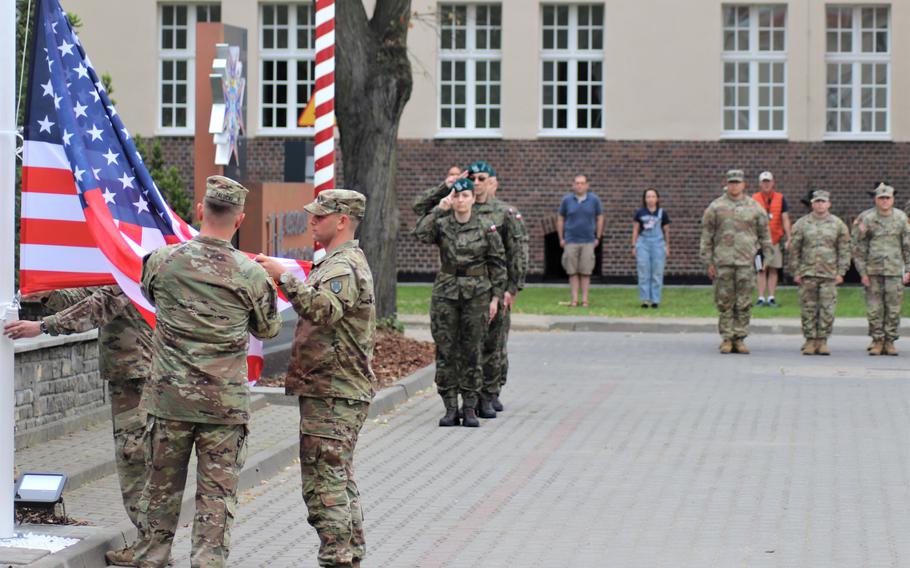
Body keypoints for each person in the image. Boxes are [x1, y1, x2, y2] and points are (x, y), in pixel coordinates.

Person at [134, 176, 282, 568]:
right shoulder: (250, 275)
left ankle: (152, 556)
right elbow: (267, 329)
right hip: (223, 406)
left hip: (169, 401)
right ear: (240, 220)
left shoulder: (162, 261)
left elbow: (150, 295)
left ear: (200, 210)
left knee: (161, 489)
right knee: (216, 496)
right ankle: (206, 560)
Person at [256, 189, 376, 568]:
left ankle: (337, 558)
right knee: (338, 479)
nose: (311, 221)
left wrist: (284, 279)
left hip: (334, 392)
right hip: (332, 390)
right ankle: (348, 556)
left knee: (324, 485)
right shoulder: (334, 263)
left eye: (319, 216)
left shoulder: (342, 266)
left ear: (342, 221)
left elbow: (324, 310)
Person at [4, 286, 152, 565]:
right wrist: (47, 296)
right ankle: (150, 546)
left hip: (140, 376)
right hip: (131, 374)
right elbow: (87, 295)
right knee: (137, 459)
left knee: (137, 460)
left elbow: (98, 305)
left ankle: (150, 549)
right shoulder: (129, 260)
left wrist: (43, 326)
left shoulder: (136, 264)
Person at [413, 177, 506, 428]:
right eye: (457, 196)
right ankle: (450, 407)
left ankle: (470, 406)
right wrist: (438, 208)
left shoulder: (487, 227)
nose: (461, 200)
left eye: (465, 196)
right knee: (446, 351)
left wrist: (496, 298)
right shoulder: (442, 224)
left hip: (477, 294)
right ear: (451, 199)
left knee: (472, 350)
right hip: (446, 293)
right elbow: (420, 233)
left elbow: (498, 264)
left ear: (473, 199)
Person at [468, 161, 527, 416]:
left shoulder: (505, 213)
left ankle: (491, 391)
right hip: (470, 288)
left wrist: (513, 287)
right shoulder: (462, 209)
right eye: (473, 178)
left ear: (493, 182)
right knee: (472, 344)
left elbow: (517, 252)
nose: (477, 183)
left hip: (497, 286)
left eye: (482, 178)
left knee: (495, 343)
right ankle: (476, 391)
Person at [700, 169, 773, 354]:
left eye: (737, 182)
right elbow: (707, 236)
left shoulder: (755, 207)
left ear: (743, 185)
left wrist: (763, 261)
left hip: (746, 262)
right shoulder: (715, 207)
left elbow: (764, 237)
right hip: (722, 262)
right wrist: (708, 262)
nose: (734, 185)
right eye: (731, 182)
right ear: (727, 183)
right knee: (725, 301)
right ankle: (726, 338)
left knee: (744, 302)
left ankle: (739, 338)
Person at [788, 190, 851, 355]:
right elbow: (794, 250)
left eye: (823, 202)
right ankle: (810, 340)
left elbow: (844, 250)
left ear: (829, 204)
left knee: (827, 309)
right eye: (817, 202)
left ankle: (822, 340)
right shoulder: (801, 224)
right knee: (808, 308)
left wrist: (841, 272)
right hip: (807, 272)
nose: (820, 204)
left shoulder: (838, 224)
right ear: (812, 204)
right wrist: (795, 271)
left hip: (829, 274)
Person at [851, 183, 910, 356]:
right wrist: (862, 272)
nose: (885, 201)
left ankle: (890, 341)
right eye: (881, 198)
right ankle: (877, 340)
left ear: (893, 199)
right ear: (875, 200)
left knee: (893, 308)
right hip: (873, 270)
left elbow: (907, 246)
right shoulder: (867, 219)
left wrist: (908, 269)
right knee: (874, 308)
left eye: (888, 198)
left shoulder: (901, 218)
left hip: (894, 270)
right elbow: (858, 247)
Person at [557, 174, 604, 307]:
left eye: (582, 183)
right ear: (573, 185)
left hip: (588, 241)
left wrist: (598, 237)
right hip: (570, 241)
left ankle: (584, 300)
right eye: (577, 183)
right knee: (572, 271)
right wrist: (561, 237)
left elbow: (600, 217)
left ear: (587, 185)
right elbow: (560, 218)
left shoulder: (594, 200)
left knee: (585, 271)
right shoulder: (567, 200)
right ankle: (574, 300)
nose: (579, 185)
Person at [751, 171, 792, 308]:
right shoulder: (754, 198)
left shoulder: (780, 198)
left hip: (775, 239)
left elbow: (785, 219)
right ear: (760, 184)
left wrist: (789, 237)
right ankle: (761, 297)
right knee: (761, 269)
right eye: (764, 182)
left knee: (774, 269)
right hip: (759, 241)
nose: (766, 184)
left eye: (768, 181)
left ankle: (771, 297)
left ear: (773, 182)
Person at [631, 188, 671, 308]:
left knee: (657, 272)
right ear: (644, 199)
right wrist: (634, 245)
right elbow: (636, 230)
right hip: (643, 243)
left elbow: (666, 230)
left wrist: (667, 246)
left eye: (653, 196)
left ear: (657, 198)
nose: (651, 199)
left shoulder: (662, 213)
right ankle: (645, 299)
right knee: (644, 271)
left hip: (658, 244)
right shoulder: (640, 213)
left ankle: (655, 299)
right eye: (648, 197)